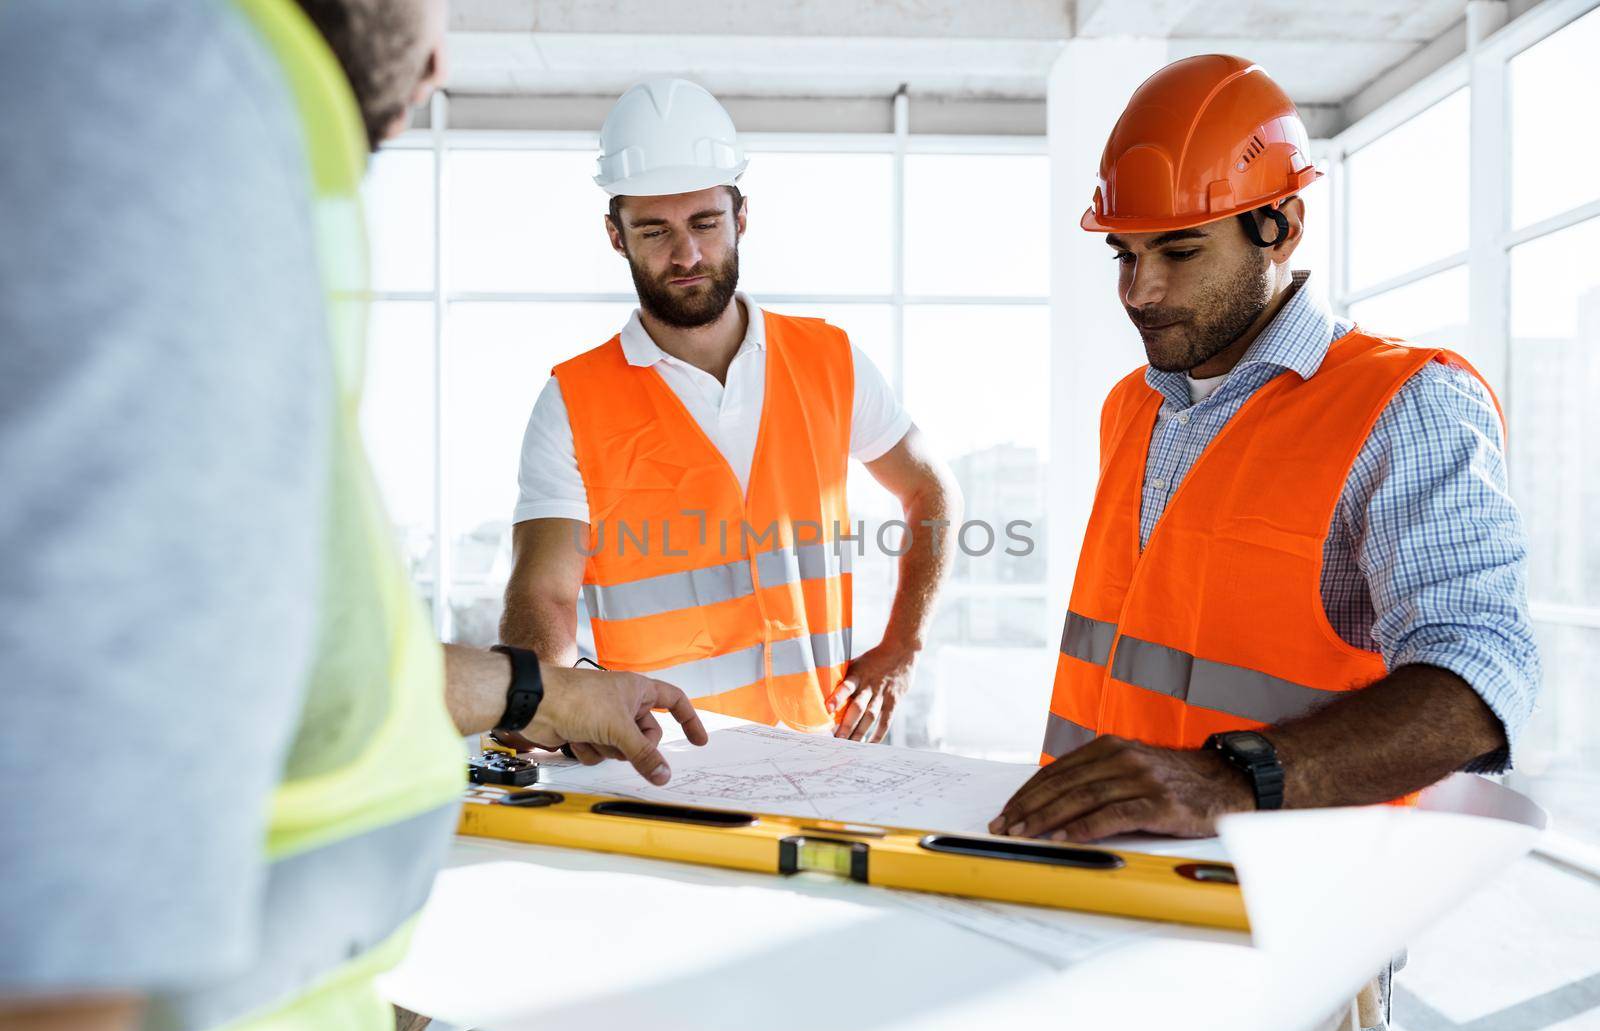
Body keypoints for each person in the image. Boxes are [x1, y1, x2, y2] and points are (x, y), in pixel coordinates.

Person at [0, 2, 702, 1031]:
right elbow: (56, 925)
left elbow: (252, 662)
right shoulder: (159, 85)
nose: (438, 56)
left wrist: (544, 690)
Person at [993, 54, 1539, 844]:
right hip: (1106, 870)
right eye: (1125, 254)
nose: (1139, 291)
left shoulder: (1406, 404)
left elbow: (1484, 675)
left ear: (1279, 226)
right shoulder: (1133, 404)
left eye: (1179, 253)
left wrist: (1229, 779)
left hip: (1296, 905)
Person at [500, 78, 962, 746]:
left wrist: (904, 644)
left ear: (741, 217)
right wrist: (554, 697)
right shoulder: (572, 402)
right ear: (615, 235)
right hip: (663, 767)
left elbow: (930, 488)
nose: (685, 255)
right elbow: (541, 592)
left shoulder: (830, 360)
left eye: (705, 223)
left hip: (820, 754)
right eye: (654, 230)